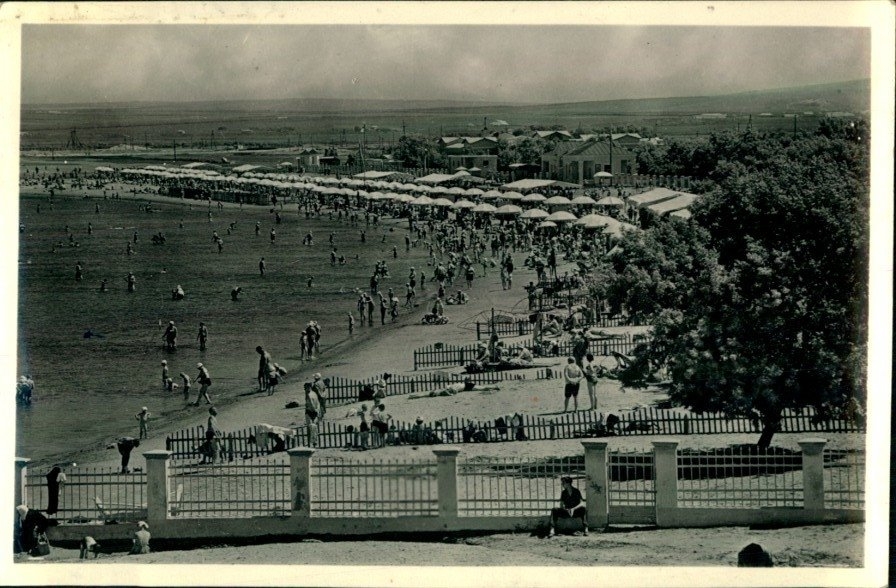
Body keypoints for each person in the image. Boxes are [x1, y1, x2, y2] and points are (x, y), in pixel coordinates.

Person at [304, 383, 321, 448]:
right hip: (315, 411)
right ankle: (315, 442)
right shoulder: (314, 393)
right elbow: (318, 403)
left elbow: (311, 404)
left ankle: (310, 442)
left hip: (310, 411)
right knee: (314, 427)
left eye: (305, 388)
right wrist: (317, 410)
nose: (305, 389)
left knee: (309, 428)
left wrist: (314, 409)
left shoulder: (308, 394)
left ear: (309, 387)